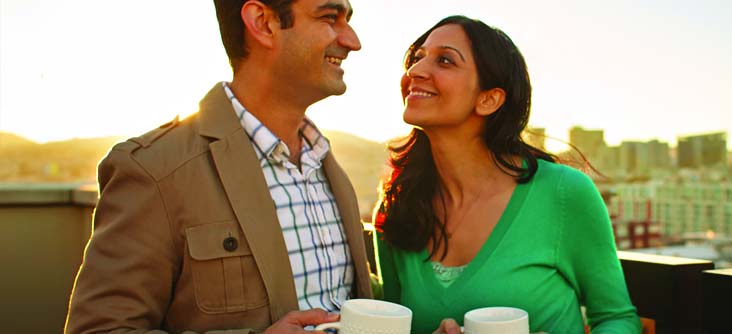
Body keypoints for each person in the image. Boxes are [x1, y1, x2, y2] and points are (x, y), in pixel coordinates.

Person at [65, 0, 371, 333]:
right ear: (263, 23)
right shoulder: (154, 170)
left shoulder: (325, 165)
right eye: (330, 18)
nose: (353, 41)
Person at [374, 15, 641, 334]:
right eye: (417, 58)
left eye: (444, 60)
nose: (415, 72)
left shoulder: (563, 192)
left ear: (489, 99)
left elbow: (617, 318)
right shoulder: (397, 208)